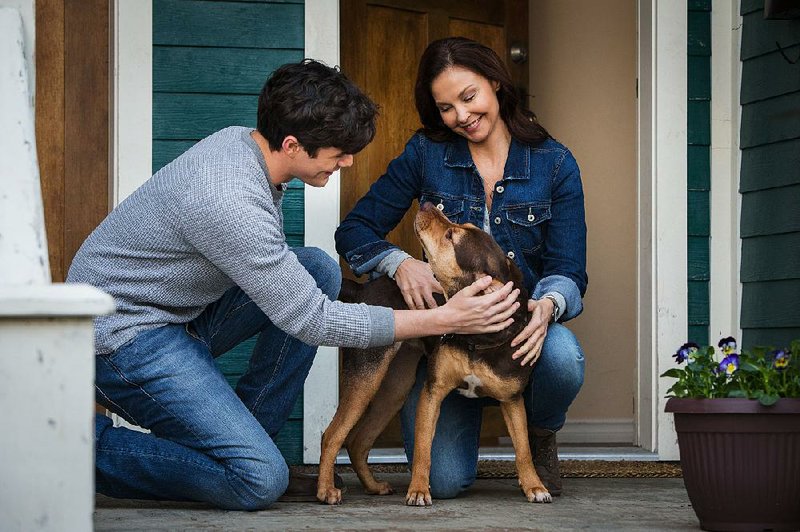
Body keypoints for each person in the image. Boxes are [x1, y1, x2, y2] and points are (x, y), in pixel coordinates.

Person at [68, 59, 527, 511]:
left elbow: (294, 290)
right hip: (121, 337)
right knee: (258, 480)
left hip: (174, 314)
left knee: (316, 270)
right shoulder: (228, 200)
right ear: (291, 144)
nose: (347, 161)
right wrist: (441, 318)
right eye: (338, 152)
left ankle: (245, 438)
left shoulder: (243, 145)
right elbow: (312, 320)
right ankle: (77, 450)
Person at [335, 37, 588, 498]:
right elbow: (354, 231)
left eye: (469, 97)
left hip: (512, 336)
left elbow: (569, 268)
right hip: (447, 341)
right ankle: (456, 406)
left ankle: (539, 433)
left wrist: (547, 306)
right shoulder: (426, 153)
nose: (461, 116)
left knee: (563, 356)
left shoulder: (555, 164)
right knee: (445, 483)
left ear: (495, 82)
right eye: (446, 107)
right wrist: (398, 263)